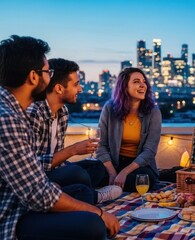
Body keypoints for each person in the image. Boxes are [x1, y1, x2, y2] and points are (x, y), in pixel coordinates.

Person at [0, 35, 119, 239]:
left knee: (85, 176)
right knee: (92, 224)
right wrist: (98, 212)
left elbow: (33, 177)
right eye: (48, 72)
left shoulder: (13, 110)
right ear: (33, 77)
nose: (50, 77)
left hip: (26, 197)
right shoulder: (9, 119)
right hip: (13, 214)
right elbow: (39, 195)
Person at [27, 58, 122, 204]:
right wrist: (73, 150)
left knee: (96, 166)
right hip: (35, 178)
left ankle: (73, 192)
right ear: (59, 88)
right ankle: (93, 196)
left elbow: (58, 161)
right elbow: (29, 167)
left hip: (54, 171)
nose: (80, 89)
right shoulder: (34, 113)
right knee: (77, 174)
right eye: (76, 84)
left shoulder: (63, 112)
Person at [96, 67, 162, 192]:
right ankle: (113, 185)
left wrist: (124, 173)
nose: (143, 85)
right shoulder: (109, 108)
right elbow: (100, 145)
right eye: (136, 82)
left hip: (137, 165)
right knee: (89, 173)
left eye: (144, 82)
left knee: (146, 179)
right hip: (112, 162)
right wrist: (112, 173)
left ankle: (110, 188)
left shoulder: (154, 112)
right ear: (124, 87)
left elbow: (149, 151)